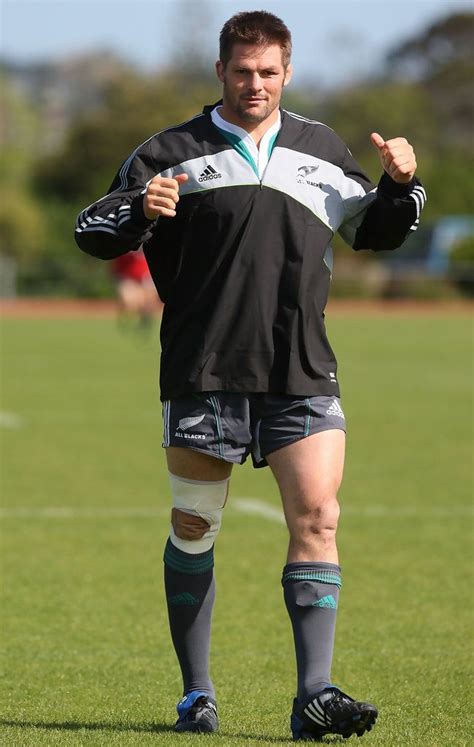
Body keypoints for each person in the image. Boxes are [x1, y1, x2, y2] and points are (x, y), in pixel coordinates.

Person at [75, 10, 426, 741]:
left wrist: (400, 185)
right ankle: (196, 694)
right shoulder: (171, 150)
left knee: (319, 518)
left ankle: (314, 694)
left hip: (302, 367)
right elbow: (92, 229)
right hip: (205, 367)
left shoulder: (323, 150)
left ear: (287, 72)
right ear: (221, 72)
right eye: (243, 71)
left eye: (268, 72)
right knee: (195, 525)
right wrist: (141, 209)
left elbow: (377, 232)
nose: (255, 83)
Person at [110, 249, 159, 332]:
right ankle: (127, 320)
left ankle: (145, 321)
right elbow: (117, 268)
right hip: (129, 277)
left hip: (146, 276)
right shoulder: (125, 248)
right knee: (129, 300)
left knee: (147, 302)